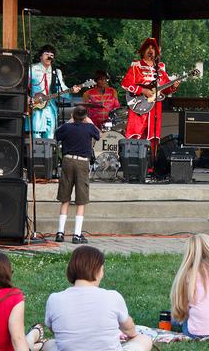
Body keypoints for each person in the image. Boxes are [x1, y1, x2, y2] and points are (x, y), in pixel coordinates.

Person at [44, 245, 153, 351]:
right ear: (97, 270)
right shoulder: (113, 296)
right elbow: (129, 329)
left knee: (49, 344)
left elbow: (55, 331)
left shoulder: (54, 299)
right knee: (144, 339)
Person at [121, 37, 179, 153]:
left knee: (153, 137)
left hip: (154, 108)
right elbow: (125, 84)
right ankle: (133, 161)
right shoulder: (136, 66)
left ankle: (149, 165)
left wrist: (173, 86)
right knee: (136, 134)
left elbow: (166, 89)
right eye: (148, 47)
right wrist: (143, 90)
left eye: (153, 48)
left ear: (156, 52)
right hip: (138, 104)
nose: (150, 50)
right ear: (143, 51)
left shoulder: (160, 70)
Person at [54, 105, 100, 244]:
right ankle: (77, 234)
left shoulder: (67, 127)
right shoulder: (89, 127)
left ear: (72, 115)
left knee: (65, 197)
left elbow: (57, 134)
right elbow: (98, 135)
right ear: (85, 116)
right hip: (82, 163)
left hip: (67, 161)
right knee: (81, 198)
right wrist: (90, 122)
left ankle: (60, 233)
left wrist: (69, 121)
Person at [28, 44, 80, 139]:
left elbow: (62, 89)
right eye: (46, 54)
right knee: (36, 133)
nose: (49, 57)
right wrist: (27, 98)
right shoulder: (32, 69)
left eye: (51, 55)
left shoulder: (56, 72)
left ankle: (48, 153)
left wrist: (72, 90)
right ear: (41, 56)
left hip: (50, 107)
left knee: (50, 134)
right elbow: (22, 86)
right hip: (35, 107)